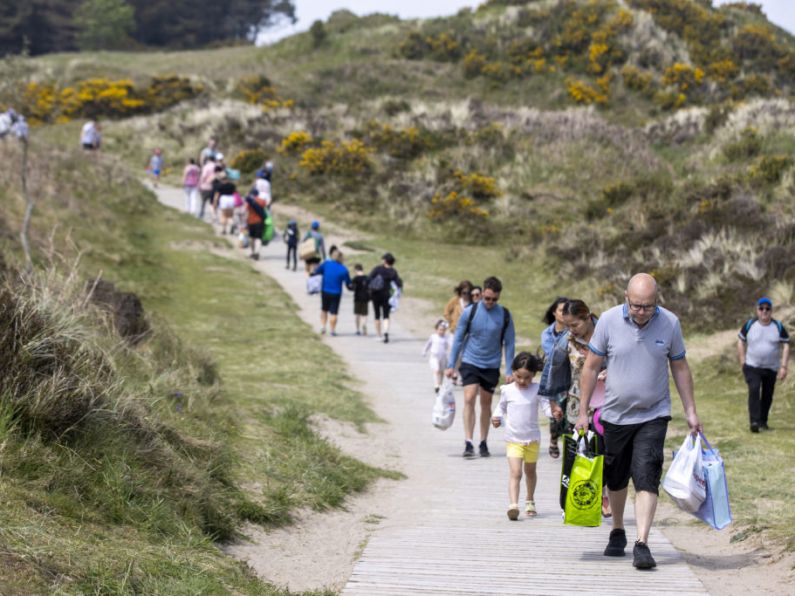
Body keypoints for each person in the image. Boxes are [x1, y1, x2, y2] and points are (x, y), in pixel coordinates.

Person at [576, 273, 701, 570]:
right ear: (625, 298)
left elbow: (680, 368)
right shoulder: (607, 321)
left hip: (654, 413)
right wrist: (582, 411)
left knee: (646, 472)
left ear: (657, 300)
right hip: (616, 415)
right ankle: (618, 529)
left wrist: (691, 410)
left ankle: (642, 543)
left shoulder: (669, 323)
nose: (642, 312)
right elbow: (591, 368)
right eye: (636, 306)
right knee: (617, 477)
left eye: (648, 306)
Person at [539, 299, 611, 517]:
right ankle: (573, 499)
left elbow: (623, 359)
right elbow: (552, 368)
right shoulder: (566, 340)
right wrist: (552, 400)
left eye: (575, 324)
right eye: (567, 325)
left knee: (603, 451)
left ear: (587, 317)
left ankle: (602, 494)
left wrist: (611, 372)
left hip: (606, 403)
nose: (571, 329)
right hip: (576, 403)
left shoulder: (606, 335)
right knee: (578, 452)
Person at [446, 276, 516, 458]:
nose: (490, 302)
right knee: (469, 398)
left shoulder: (505, 315)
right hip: (470, 361)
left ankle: (483, 441)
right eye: (487, 298)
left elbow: (509, 343)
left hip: (491, 364)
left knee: (486, 403)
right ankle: (468, 442)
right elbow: (458, 339)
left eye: (494, 299)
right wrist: (451, 364)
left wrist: (509, 370)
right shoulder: (470, 312)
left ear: (498, 297)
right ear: (483, 293)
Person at [492, 352, 550, 520]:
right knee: (516, 472)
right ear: (513, 372)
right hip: (513, 439)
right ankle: (513, 505)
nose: (523, 381)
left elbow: (546, 408)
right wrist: (496, 418)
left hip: (532, 439)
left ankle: (530, 500)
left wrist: (554, 414)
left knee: (530, 471)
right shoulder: (507, 390)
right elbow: (500, 408)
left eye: (527, 378)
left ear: (534, 375)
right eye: (518, 377)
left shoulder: (537, 389)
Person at [737, 297, 790, 432]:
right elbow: (740, 341)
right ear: (757, 310)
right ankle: (754, 422)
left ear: (771, 311)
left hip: (771, 368)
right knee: (754, 389)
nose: (764, 311)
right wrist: (742, 361)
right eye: (761, 308)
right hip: (752, 366)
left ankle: (763, 422)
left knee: (767, 394)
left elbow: (786, 345)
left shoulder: (777, 327)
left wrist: (783, 366)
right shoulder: (750, 325)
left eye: (767, 309)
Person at [539, 296, 569, 459]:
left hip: (571, 377)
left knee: (570, 410)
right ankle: (553, 438)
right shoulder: (547, 334)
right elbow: (554, 355)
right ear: (554, 312)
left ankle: (571, 443)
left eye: (567, 311)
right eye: (560, 310)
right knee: (556, 410)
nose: (564, 314)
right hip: (554, 377)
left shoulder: (574, 331)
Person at [312, 246, 351, 336]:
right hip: (336, 292)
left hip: (325, 290)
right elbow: (348, 283)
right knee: (334, 312)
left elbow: (317, 271)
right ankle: (332, 330)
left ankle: (323, 327)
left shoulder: (326, 264)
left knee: (324, 309)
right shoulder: (343, 269)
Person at [368, 252, 403, 343]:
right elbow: (398, 283)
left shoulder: (378, 269)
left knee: (377, 315)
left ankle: (379, 335)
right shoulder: (393, 272)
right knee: (386, 315)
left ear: (385, 261)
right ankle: (386, 333)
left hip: (376, 294)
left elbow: (369, 278)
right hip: (387, 295)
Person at [423, 320, 453, 393]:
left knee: (442, 371)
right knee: (436, 370)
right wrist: (424, 351)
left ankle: (440, 384)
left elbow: (450, 345)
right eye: (440, 330)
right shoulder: (433, 337)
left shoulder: (446, 337)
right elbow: (428, 344)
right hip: (434, 356)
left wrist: (452, 350)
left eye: (443, 330)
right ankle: (436, 385)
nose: (441, 332)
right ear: (436, 330)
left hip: (443, 357)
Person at [244, 189, 268, 260]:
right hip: (260, 222)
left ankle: (252, 252)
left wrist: (245, 222)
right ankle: (257, 252)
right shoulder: (261, 201)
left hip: (251, 221)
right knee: (258, 238)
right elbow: (265, 207)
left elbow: (247, 211)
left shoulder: (249, 202)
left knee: (252, 238)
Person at [213, 169, 236, 235]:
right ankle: (232, 224)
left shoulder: (220, 186)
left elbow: (216, 195)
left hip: (224, 199)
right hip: (231, 199)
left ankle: (224, 230)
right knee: (230, 216)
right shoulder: (232, 185)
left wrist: (215, 203)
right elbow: (235, 193)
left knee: (224, 215)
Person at [351, 264, 370, 335]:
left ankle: (358, 329)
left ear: (356, 270)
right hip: (365, 298)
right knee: (364, 314)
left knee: (357, 314)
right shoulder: (367, 278)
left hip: (357, 298)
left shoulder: (355, 278)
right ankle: (364, 325)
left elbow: (352, 288)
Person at [198, 155, 217, 220]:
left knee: (203, 201)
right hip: (215, 187)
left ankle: (201, 214)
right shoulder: (217, 166)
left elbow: (203, 176)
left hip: (206, 186)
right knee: (212, 203)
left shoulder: (206, 166)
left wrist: (200, 184)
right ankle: (214, 215)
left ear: (209, 160)